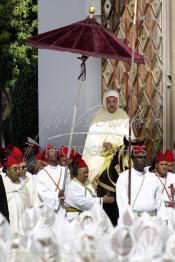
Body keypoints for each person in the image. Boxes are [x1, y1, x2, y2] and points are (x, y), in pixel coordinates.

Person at [82, 89, 134, 225]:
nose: (111, 104)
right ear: (104, 102)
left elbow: (129, 140)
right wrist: (102, 145)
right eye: (109, 101)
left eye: (114, 101)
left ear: (118, 102)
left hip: (119, 158)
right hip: (100, 160)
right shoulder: (98, 118)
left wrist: (117, 146)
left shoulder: (123, 116)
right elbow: (91, 142)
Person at [116, 145, 161, 218]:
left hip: (153, 219)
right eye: (139, 157)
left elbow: (159, 200)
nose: (142, 160)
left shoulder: (152, 176)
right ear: (132, 159)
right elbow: (122, 203)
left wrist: (161, 219)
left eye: (144, 157)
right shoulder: (124, 177)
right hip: (135, 220)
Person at [2, 156, 33, 233]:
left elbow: (28, 206)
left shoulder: (22, 184)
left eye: (19, 168)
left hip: (23, 225)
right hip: (9, 225)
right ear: (7, 171)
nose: (18, 171)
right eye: (15, 169)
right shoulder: (3, 186)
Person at [36, 145, 69, 214]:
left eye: (54, 150)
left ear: (57, 154)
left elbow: (69, 187)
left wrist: (66, 194)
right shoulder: (41, 173)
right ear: (46, 156)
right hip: (50, 210)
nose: (53, 152)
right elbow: (41, 193)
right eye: (50, 151)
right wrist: (57, 195)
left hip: (64, 207)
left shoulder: (65, 170)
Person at [153, 152, 175, 223]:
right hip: (157, 215)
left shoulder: (173, 177)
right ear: (156, 165)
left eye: (166, 164)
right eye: (161, 164)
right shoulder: (151, 177)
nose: (164, 167)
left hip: (172, 214)